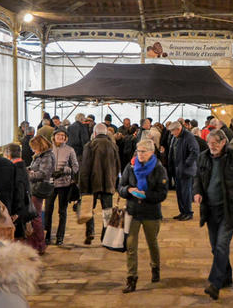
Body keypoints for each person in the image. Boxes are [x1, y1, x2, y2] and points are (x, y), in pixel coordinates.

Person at [193, 129, 233, 300]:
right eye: (209, 143)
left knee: (221, 245)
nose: (211, 146)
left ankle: (215, 283)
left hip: (229, 209)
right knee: (215, 247)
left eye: (215, 143)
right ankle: (226, 275)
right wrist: (197, 192)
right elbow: (197, 177)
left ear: (223, 143)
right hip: (210, 210)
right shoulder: (203, 157)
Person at [119, 139, 169, 293]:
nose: (140, 154)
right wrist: (128, 190)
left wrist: (145, 195)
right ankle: (131, 278)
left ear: (151, 153)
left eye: (143, 151)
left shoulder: (159, 169)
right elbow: (120, 187)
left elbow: (162, 194)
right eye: (138, 151)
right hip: (133, 211)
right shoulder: (131, 166)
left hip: (151, 212)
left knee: (152, 243)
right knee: (131, 246)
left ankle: (155, 267)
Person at [79, 123, 120, 244]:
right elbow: (118, 166)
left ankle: (90, 232)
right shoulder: (113, 146)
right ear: (106, 133)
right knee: (107, 211)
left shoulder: (90, 145)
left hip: (92, 184)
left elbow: (85, 168)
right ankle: (106, 237)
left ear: (95, 133)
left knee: (89, 209)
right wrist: (114, 181)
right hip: (108, 184)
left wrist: (83, 187)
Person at [45, 127, 78, 245]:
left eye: (63, 136)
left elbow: (75, 166)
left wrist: (65, 170)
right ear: (54, 136)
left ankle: (60, 237)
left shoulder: (70, 150)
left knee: (62, 211)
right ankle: (46, 236)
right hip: (50, 183)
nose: (61, 138)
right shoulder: (48, 149)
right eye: (59, 135)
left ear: (66, 138)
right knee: (48, 210)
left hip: (64, 184)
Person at [26, 135, 54, 254]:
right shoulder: (41, 155)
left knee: (35, 216)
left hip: (38, 188)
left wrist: (28, 174)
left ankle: (39, 244)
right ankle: (37, 244)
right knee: (35, 216)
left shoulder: (46, 156)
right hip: (35, 187)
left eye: (34, 147)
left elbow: (43, 173)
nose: (33, 150)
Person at [2, 143, 35, 242]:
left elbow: (19, 190)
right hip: (23, 205)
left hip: (20, 208)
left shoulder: (15, 167)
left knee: (18, 237)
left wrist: (16, 211)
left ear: (8, 154)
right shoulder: (21, 165)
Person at [168, 121, 198, 221]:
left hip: (185, 170)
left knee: (186, 193)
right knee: (179, 193)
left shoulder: (188, 136)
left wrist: (186, 164)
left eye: (172, 131)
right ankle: (182, 212)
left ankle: (188, 213)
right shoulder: (175, 137)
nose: (171, 133)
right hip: (176, 170)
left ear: (178, 129)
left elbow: (195, 152)